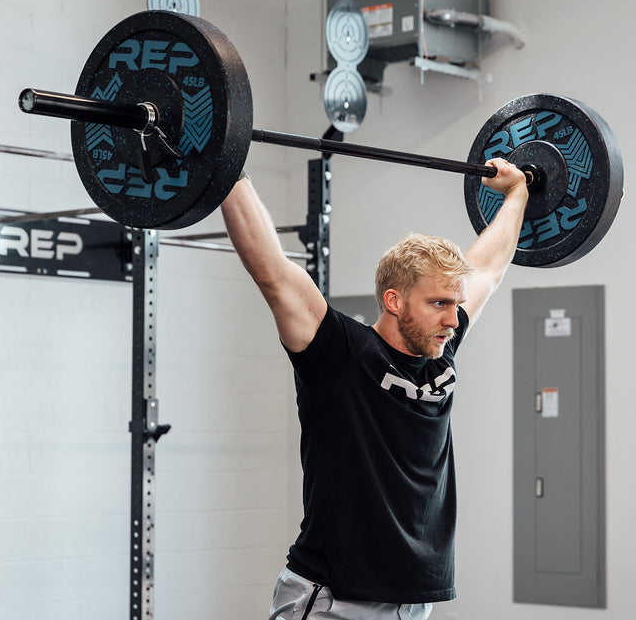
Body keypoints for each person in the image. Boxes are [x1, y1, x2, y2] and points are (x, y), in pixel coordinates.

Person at [220, 158, 528, 620]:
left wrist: (518, 192)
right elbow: (274, 274)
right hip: (334, 598)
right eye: (439, 303)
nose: (452, 317)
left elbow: (488, 268)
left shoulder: (438, 355)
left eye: (456, 303)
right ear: (394, 300)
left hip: (414, 602)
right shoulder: (340, 352)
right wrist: (225, 165)